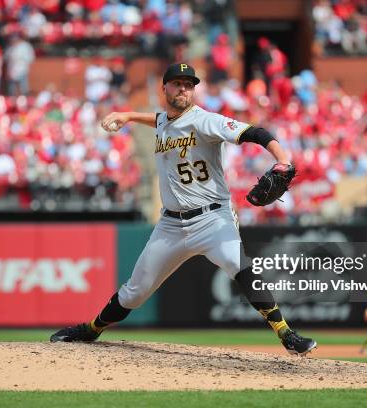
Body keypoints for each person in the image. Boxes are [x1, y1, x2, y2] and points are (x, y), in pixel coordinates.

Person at [50, 63, 317, 356]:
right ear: (163, 88)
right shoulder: (165, 121)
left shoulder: (205, 121)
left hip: (213, 218)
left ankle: (286, 334)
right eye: (177, 83)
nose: (183, 89)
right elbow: (160, 120)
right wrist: (127, 115)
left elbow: (257, 132)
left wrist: (282, 160)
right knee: (135, 292)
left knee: (240, 267)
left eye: (188, 85)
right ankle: (91, 329)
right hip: (171, 225)